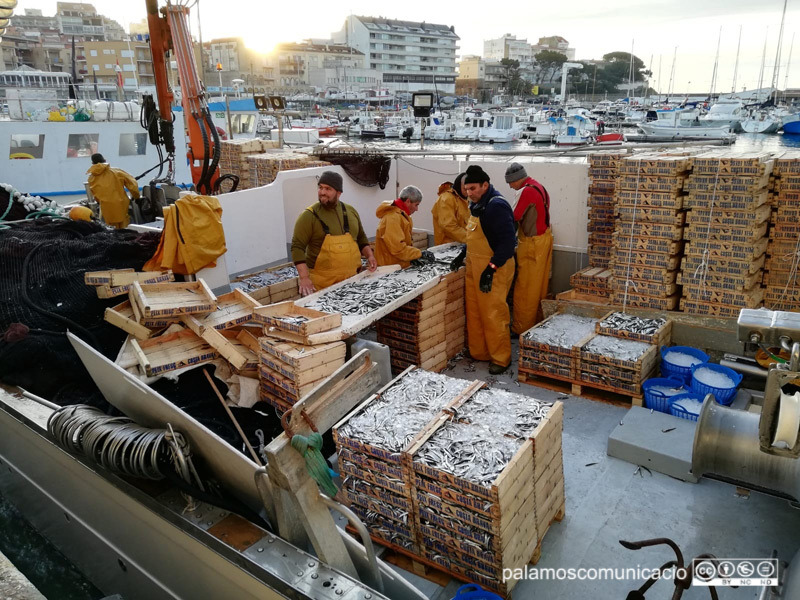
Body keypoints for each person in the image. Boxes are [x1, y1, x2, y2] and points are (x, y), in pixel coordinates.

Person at [451, 165, 516, 375]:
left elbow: (508, 243)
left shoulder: (497, 206)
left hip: (494, 269)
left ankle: (501, 358)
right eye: (466, 189)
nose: (469, 193)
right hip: (473, 267)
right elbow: (473, 237)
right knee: (475, 311)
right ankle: (480, 352)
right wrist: (462, 254)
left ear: (485, 185)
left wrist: (491, 268)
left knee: (493, 313)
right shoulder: (476, 206)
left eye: (472, 189)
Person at [291, 170, 376, 296]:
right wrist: (304, 278)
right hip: (322, 287)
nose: (322, 192)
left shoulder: (351, 211)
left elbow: (361, 238)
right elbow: (297, 247)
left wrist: (370, 256)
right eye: (320, 187)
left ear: (339, 192)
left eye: (328, 188)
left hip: (352, 283)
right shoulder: (308, 216)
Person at [505, 162, 553, 335]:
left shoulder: (525, 191)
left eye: (510, 182)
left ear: (517, 179)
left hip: (532, 244)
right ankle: (537, 322)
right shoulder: (539, 186)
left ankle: (521, 328)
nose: (510, 186)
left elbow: (514, 216)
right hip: (544, 239)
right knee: (539, 287)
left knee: (525, 289)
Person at [374, 185, 434, 269]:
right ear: (408, 201)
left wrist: (412, 258)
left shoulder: (402, 215)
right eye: (416, 205)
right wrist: (419, 254)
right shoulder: (393, 218)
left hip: (398, 264)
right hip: (389, 268)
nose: (417, 209)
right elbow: (398, 248)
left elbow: (404, 243)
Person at [86, 153, 140, 229]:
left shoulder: (91, 178)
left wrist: (99, 202)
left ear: (92, 163)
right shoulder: (117, 172)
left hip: (106, 208)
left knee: (112, 229)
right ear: (104, 160)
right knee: (124, 228)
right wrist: (137, 197)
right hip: (121, 206)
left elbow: (95, 194)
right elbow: (133, 185)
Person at [431, 172, 469, 245]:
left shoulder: (465, 199)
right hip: (447, 247)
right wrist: (471, 238)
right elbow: (448, 226)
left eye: (470, 189)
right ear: (459, 185)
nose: (468, 192)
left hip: (462, 243)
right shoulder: (446, 199)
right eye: (465, 189)